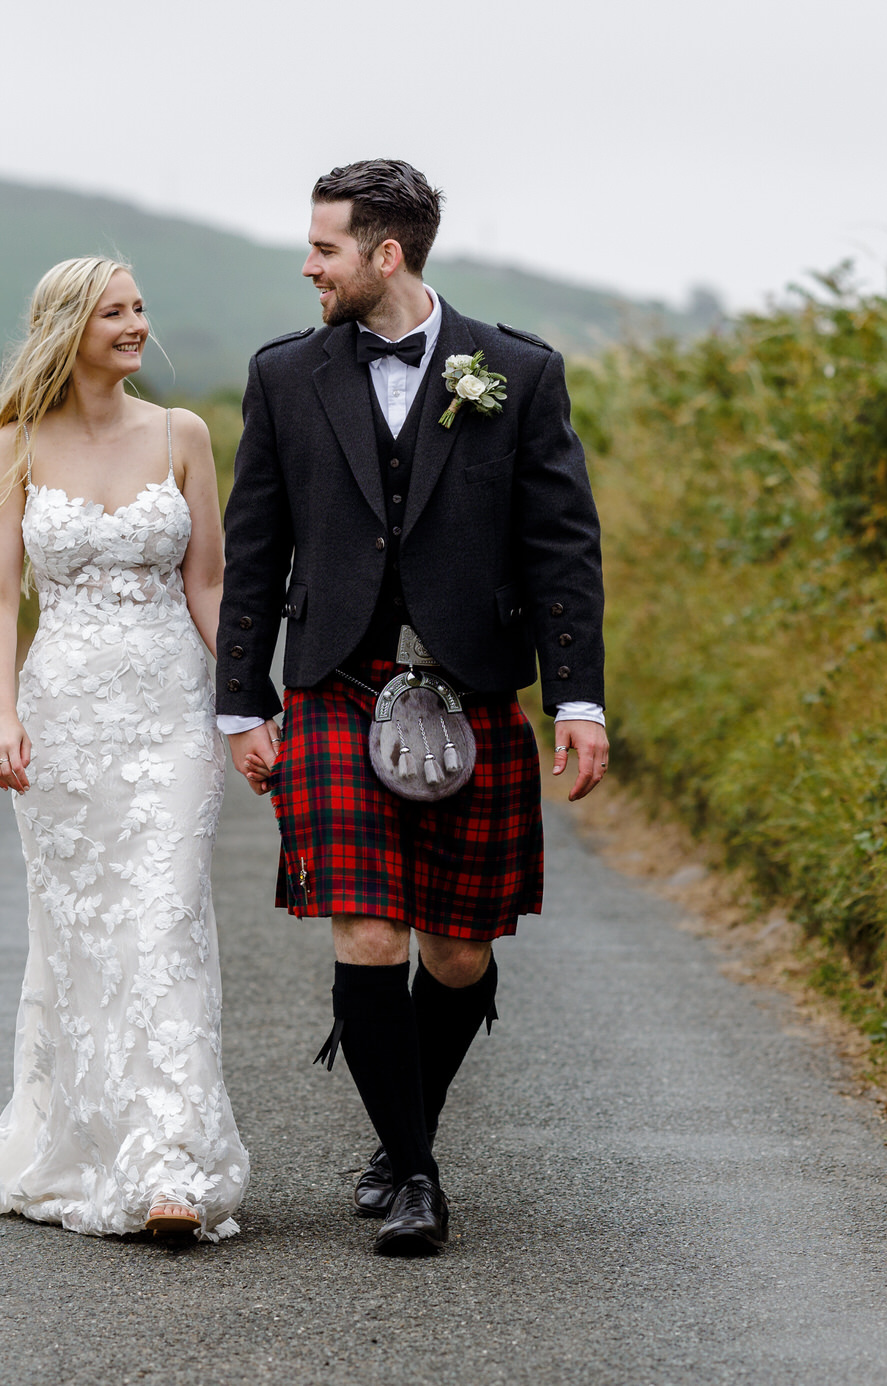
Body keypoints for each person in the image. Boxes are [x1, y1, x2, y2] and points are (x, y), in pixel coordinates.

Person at [215, 160, 608, 1256]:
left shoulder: (516, 373)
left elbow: (561, 548)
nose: (308, 265)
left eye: (325, 248)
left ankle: (399, 1143)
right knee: (370, 928)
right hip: (337, 682)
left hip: (472, 683)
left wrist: (577, 696)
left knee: (457, 952)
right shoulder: (286, 375)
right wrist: (240, 703)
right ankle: (420, 1177)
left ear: (385, 255)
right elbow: (256, 549)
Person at [0, 257, 249, 1241]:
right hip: (62, 717)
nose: (138, 324)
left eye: (142, 306)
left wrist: (243, 704)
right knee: (81, 937)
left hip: (169, 715)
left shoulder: (181, 435)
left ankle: (168, 1160)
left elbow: (209, 587)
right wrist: (0, 714)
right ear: (69, 327)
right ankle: (89, 1137)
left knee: (164, 917)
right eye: (116, 311)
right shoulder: (16, 444)